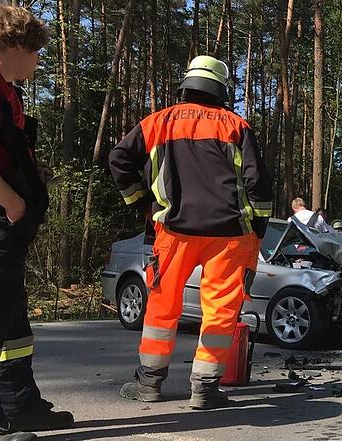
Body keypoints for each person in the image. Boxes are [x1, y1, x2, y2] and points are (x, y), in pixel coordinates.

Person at [109, 55, 273, 410]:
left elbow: (119, 159)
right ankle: (205, 389)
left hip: (173, 232)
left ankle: (149, 383)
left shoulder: (158, 123)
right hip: (230, 235)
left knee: (161, 307)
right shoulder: (235, 125)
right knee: (219, 313)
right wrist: (257, 230)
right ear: (221, 89)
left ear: (186, 85)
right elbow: (258, 183)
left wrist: (143, 205)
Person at [0, 4, 73, 441]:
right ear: (14, 45)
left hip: (4, 220)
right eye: (35, 51)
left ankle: (19, 404)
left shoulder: (2, 87)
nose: (38, 62)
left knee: (12, 318)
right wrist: (11, 201)